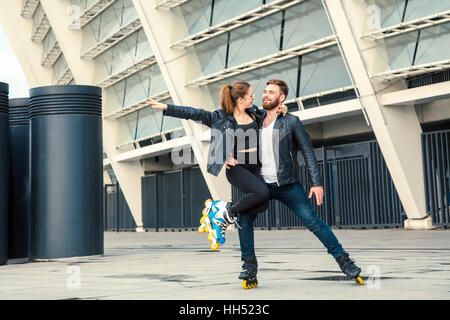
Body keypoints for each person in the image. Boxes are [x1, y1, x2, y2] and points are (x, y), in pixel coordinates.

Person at [227, 79, 364, 287]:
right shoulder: (254, 116)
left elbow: (308, 152)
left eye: (271, 92)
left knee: (313, 221)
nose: (265, 95)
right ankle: (249, 268)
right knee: (245, 219)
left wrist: (316, 183)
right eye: (264, 91)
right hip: (260, 185)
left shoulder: (291, 121)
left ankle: (345, 262)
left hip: (288, 185)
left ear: (281, 98)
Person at [147, 82, 285, 251]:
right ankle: (222, 211)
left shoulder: (255, 112)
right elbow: (193, 113)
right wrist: (167, 107)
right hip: (236, 168)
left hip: (255, 166)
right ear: (241, 99)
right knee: (262, 193)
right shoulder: (220, 117)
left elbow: (270, 115)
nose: (254, 98)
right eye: (251, 95)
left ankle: (221, 216)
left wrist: (281, 110)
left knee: (262, 203)